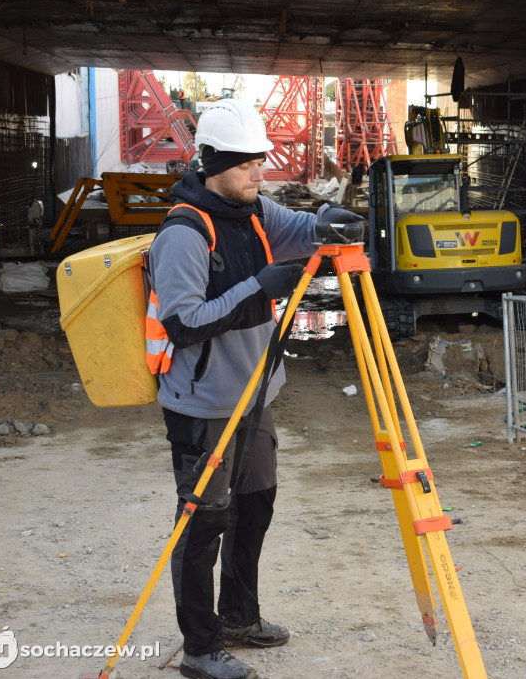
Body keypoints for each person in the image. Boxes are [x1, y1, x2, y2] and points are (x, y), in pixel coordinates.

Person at [146, 98, 325, 679]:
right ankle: (199, 649)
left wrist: (332, 220)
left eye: (261, 161)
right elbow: (184, 322)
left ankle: (239, 617)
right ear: (215, 163)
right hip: (204, 406)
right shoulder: (184, 231)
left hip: (255, 398)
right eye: (248, 163)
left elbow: (300, 229)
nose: (260, 172)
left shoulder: (253, 210)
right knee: (204, 524)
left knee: (254, 509)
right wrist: (258, 285)